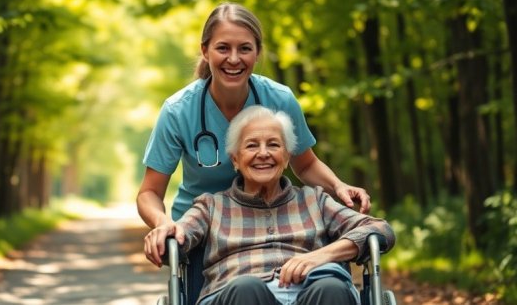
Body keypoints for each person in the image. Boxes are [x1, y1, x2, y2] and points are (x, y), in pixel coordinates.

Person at [137, 1, 371, 302]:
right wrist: (163, 224)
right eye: (223, 48)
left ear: (257, 53)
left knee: (328, 288)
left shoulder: (279, 99)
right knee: (244, 289)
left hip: (280, 212)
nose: (233, 59)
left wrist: (338, 186)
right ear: (205, 51)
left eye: (244, 48)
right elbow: (149, 192)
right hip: (209, 230)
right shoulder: (178, 111)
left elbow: (306, 164)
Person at [144, 106, 395, 305]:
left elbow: (380, 230)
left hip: (312, 293)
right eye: (252, 145)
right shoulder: (211, 206)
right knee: (246, 287)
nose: (263, 153)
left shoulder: (315, 200)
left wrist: (323, 255)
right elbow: (177, 237)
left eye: (273, 145)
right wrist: (163, 233)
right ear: (235, 160)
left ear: (286, 157)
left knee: (332, 288)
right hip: (237, 297)